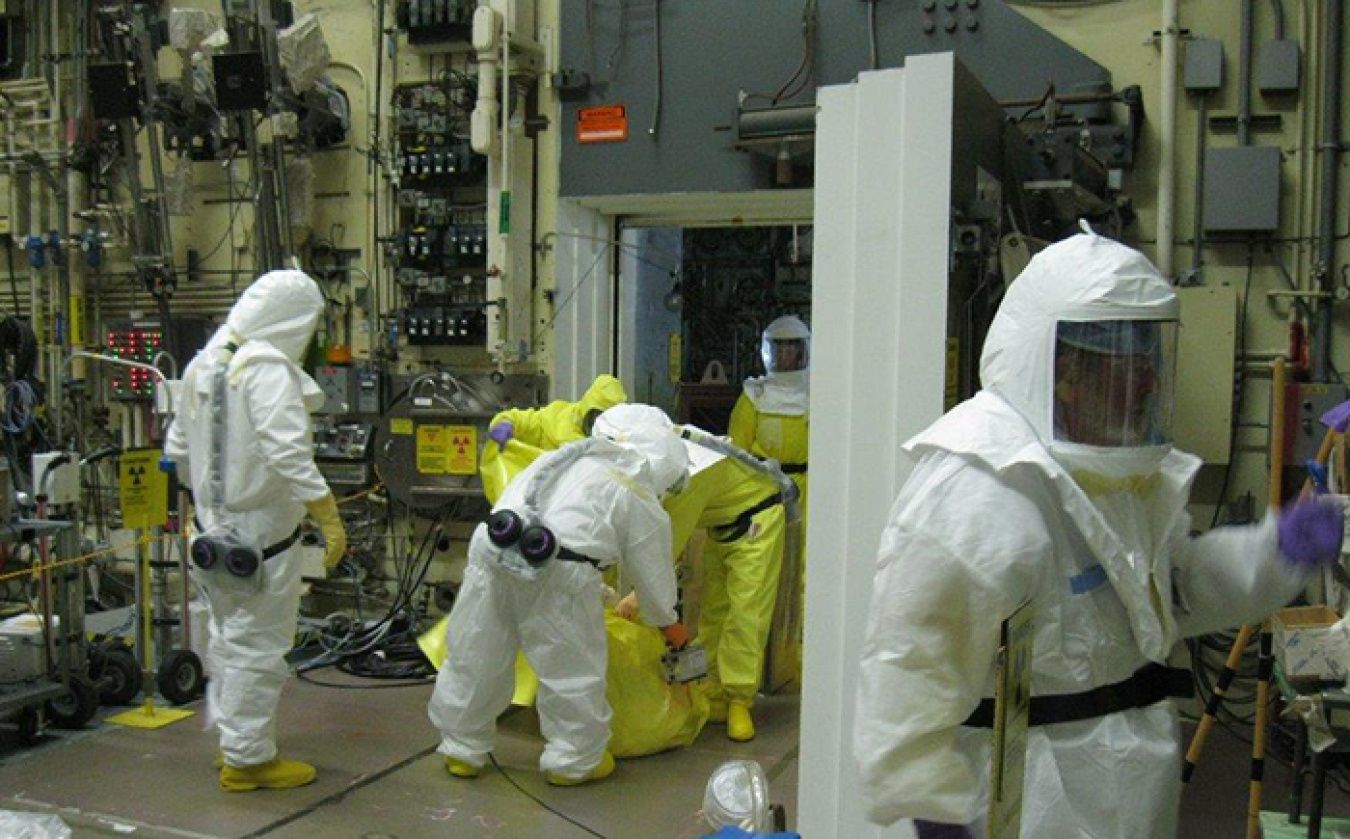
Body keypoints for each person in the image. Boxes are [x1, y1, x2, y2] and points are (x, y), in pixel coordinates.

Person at [853, 227, 1345, 839]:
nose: (1149, 383)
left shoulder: (1116, 479)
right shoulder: (980, 491)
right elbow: (910, 670)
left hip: (1132, 790)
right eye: (1125, 360)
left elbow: (1173, 591)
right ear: (1062, 369)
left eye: (1152, 356)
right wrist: (935, 809)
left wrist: (1275, 553)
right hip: (1025, 802)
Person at [428, 404, 692, 786]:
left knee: (475, 651)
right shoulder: (634, 491)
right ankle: (574, 761)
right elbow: (653, 576)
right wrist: (667, 622)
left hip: (491, 547)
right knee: (570, 666)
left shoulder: (560, 460)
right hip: (556, 568)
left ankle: (462, 748)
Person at [165, 270, 347, 792]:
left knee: (228, 639)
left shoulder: (204, 364)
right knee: (258, 649)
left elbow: (176, 448)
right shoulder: (267, 370)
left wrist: (204, 505)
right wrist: (327, 515)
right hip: (261, 540)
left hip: (207, 534)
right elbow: (288, 452)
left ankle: (233, 740)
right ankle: (247, 760)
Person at [608, 409, 790, 743]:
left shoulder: (687, 475)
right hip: (721, 523)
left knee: (746, 612)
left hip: (757, 521)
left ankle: (739, 699)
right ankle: (713, 692)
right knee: (715, 612)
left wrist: (634, 599)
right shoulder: (665, 454)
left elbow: (661, 549)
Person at [728, 315, 810, 687]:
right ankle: (759, 667)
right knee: (760, 577)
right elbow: (737, 449)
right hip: (766, 493)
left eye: (792, 346)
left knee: (808, 572)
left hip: (811, 490)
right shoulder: (753, 397)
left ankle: (802, 659)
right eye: (778, 347)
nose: (784, 355)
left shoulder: (818, 393)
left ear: (804, 350)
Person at [485, 374, 627, 454]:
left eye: (608, 418)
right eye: (597, 415)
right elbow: (525, 421)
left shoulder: (624, 440)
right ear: (588, 408)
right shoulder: (557, 417)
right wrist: (505, 422)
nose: (600, 423)